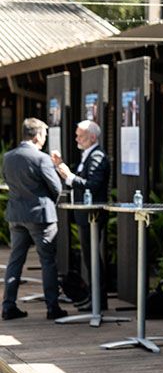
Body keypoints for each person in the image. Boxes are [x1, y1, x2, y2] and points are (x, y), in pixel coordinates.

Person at [2, 119, 66, 321]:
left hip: (16, 215)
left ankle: (8, 306)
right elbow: (56, 187)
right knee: (47, 261)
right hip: (40, 216)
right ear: (37, 136)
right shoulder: (41, 158)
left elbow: (8, 181)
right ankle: (52, 307)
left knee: (15, 260)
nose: (45, 139)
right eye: (44, 135)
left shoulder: (8, 157)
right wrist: (48, 203)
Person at [51, 120, 110, 311]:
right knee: (89, 258)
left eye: (80, 136)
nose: (77, 139)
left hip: (92, 215)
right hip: (84, 214)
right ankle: (94, 298)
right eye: (76, 135)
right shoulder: (87, 155)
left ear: (92, 137)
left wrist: (69, 176)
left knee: (93, 258)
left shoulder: (97, 156)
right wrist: (62, 168)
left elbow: (92, 185)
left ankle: (99, 300)